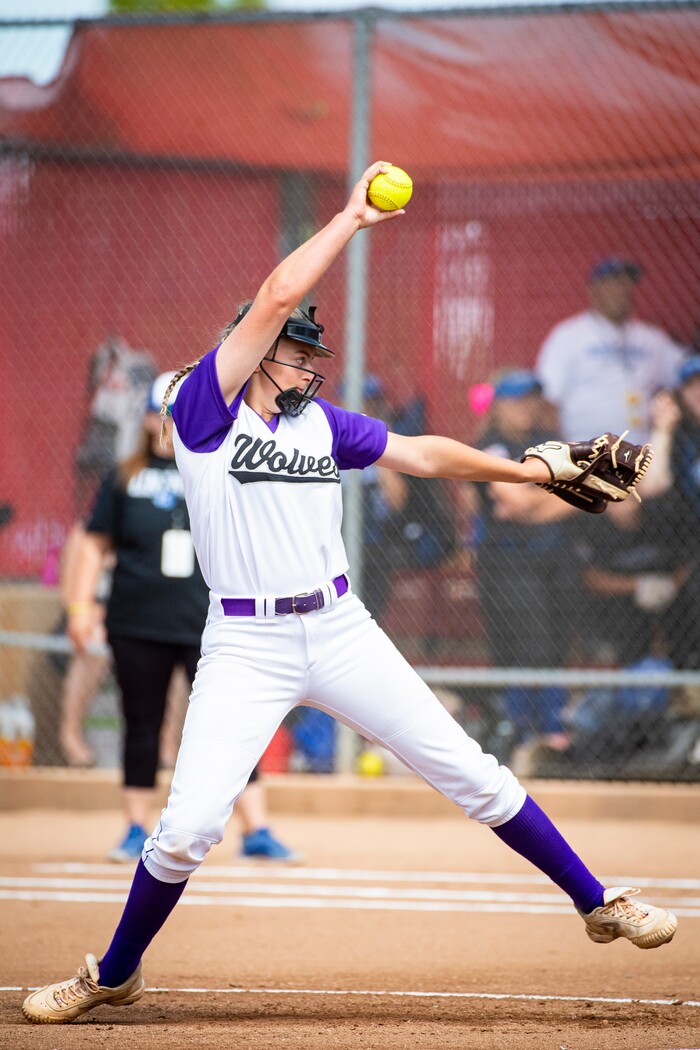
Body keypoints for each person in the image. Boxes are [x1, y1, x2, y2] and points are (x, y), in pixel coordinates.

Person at [23, 161, 677, 1026]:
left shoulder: (322, 425)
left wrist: (524, 469)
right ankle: (114, 971)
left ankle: (598, 902)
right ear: (252, 354)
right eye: (295, 354)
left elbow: (423, 453)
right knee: (185, 831)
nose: (307, 369)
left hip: (338, 629)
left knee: (471, 774)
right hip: (246, 645)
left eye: (309, 358)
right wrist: (350, 220)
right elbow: (274, 291)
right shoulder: (202, 412)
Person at [61, 372, 300, 864]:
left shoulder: (220, 464)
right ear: (148, 420)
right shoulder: (124, 477)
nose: (170, 422)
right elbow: (92, 543)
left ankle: (256, 829)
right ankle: (134, 827)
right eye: (162, 413)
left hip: (210, 622)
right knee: (141, 724)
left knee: (233, 725)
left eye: (180, 411)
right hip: (137, 622)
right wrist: (81, 607)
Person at [469, 370, 579, 764]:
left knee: (555, 646)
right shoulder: (490, 445)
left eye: (532, 399)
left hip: (553, 563)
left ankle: (553, 736)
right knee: (524, 648)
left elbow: (530, 505)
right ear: (498, 404)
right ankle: (521, 733)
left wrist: (537, 503)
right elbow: (517, 504)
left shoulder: (547, 444)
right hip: (508, 565)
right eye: (516, 400)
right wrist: (573, 495)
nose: (526, 407)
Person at [535, 257, 685, 445]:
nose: (623, 291)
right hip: (585, 454)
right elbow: (548, 401)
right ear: (594, 290)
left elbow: (686, 374)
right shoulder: (569, 336)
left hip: (641, 453)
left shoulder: (650, 338)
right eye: (614, 284)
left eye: (627, 284)